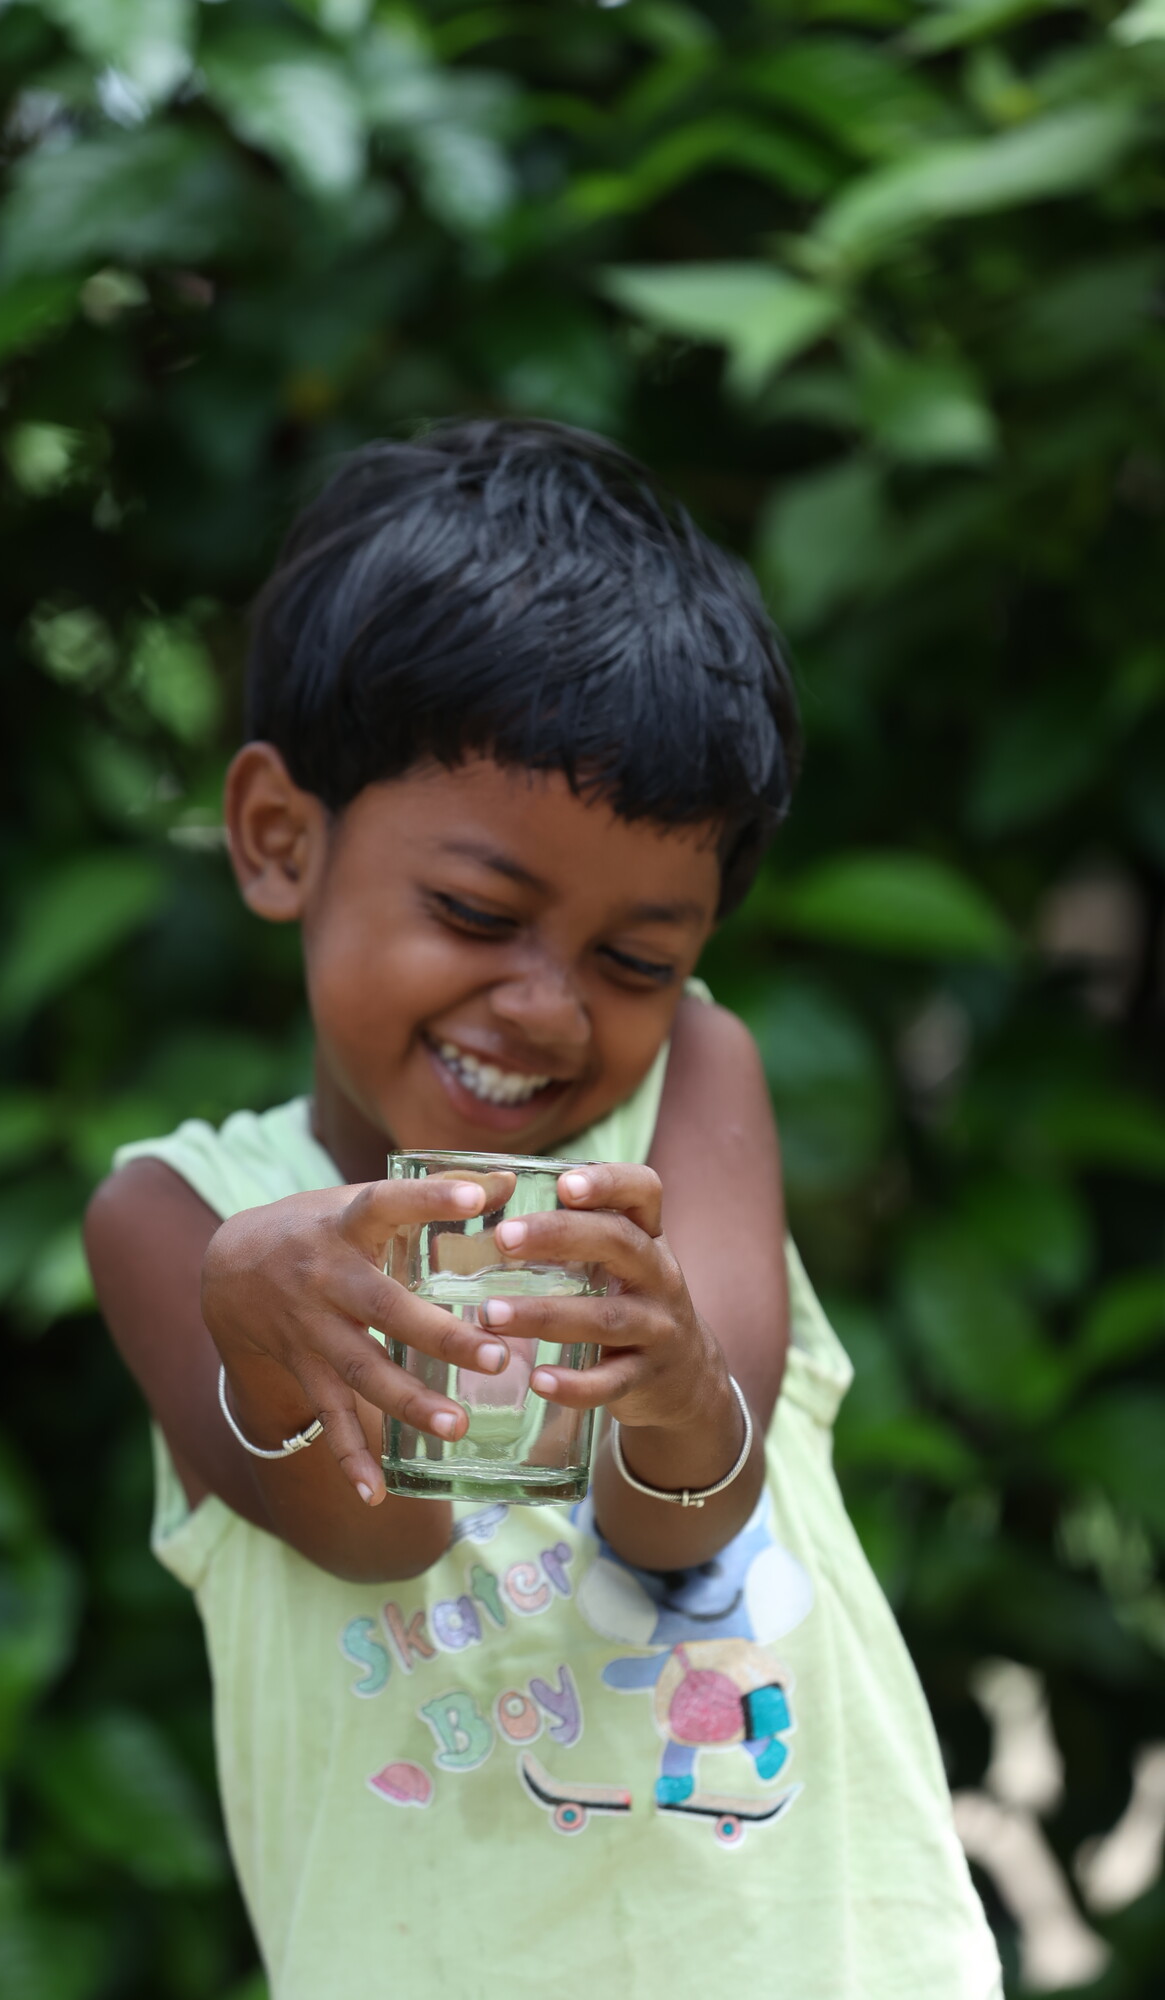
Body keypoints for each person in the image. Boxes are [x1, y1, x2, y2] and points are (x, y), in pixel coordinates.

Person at [85, 420, 1001, 1998]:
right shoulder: (177, 1219)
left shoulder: (691, 1086)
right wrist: (264, 1316)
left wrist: (666, 1374)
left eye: (632, 960)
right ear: (278, 839)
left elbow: (686, 1512)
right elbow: (376, 1538)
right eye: (476, 914)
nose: (546, 1008)